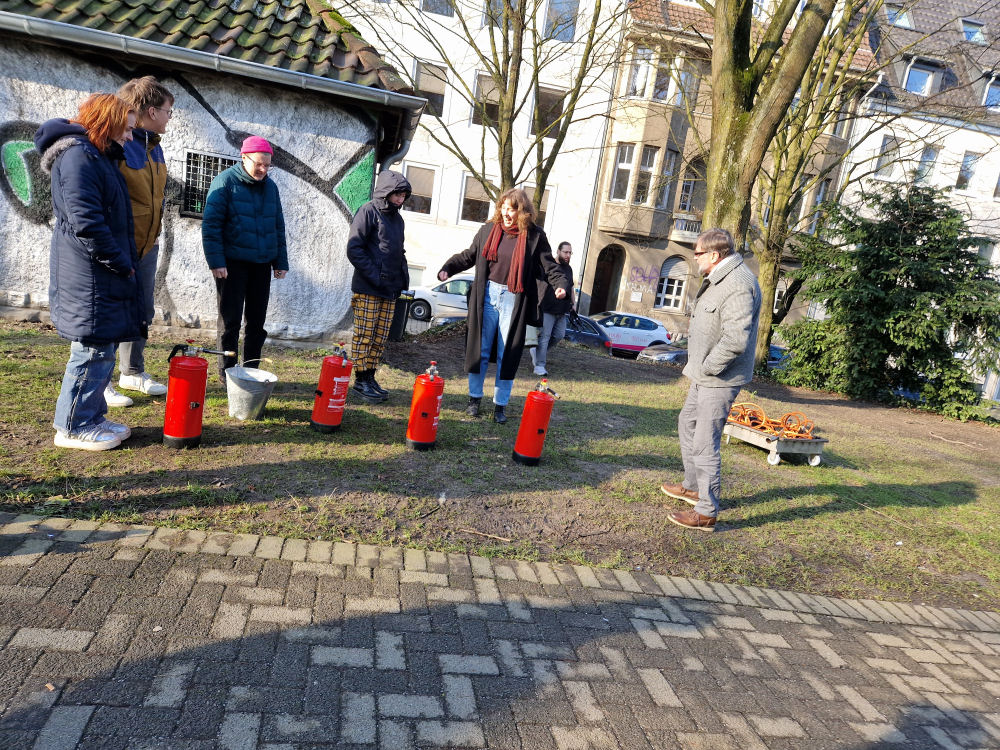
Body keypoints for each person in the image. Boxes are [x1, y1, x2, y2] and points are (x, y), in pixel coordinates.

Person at [34, 94, 142, 451]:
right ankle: (72, 426)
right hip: (90, 274)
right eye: (126, 129)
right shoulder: (79, 157)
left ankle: (91, 415)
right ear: (107, 121)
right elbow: (87, 224)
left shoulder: (98, 156)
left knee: (103, 347)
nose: (129, 137)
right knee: (91, 350)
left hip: (99, 272)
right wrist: (119, 262)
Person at [660, 228, 761, 531]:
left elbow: (735, 340)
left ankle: (706, 512)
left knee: (705, 442)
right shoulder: (720, 278)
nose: (694, 258)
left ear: (715, 256)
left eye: (698, 253)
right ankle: (693, 487)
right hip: (704, 375)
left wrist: (708, 366)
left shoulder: (739, 284)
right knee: (687, 422)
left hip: (719, 378)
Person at [437, 188, 568, 424]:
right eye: (504, 208)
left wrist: (561, 284)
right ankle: (474, 400)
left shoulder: (534, 237)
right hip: (486, 295)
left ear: (523, 211)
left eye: (512, 209)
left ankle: (500, 405)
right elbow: (469, 255)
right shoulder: (488, 230)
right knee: (481, 349)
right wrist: (449, 267)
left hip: (513, 298)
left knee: (507, 352)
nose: (507, 213)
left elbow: (550, 267)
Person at [102, 75, 174, 408]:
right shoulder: (120, 144)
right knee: (112, 313)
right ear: (148, 110)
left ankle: (131, 371)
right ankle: (101, 382)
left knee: (141, 310)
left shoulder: (154, 148)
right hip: (120, 247)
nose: (170, 116)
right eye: (167, 110)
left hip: (147, 246)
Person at [202, 136, 288, 381]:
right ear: (244, 158)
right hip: (231, 265)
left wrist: (280, 262)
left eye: (267, 165)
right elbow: (211, 225)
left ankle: (251, 369)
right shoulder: (225, 182)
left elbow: (278, 226)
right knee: (230, 321)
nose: (263, 169)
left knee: (256, 323)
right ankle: (227, 372)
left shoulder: (271, 188)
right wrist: (216, 261)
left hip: (262, 264)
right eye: (259, 164)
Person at [346, 169, 411, 402]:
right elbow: (354, 249)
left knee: (380, 336)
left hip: (390, 289)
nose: (400, 200)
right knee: (365, 334)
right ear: (386, 192)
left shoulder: (398, 220)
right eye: (397, 195)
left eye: (404, 196)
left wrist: (402, 279)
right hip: (368, 287)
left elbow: (398, 252)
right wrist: (375, 276)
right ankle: (360, 380)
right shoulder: (368, 212)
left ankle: (370, 377)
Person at [532, 241, 575, 376]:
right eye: (565, 252)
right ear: (558, 251)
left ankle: (537, 351)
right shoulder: (550, 266)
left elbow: (571, 287)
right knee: (545, 337)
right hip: (548, 308)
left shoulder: (569, 269)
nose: (568, 255)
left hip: (562, 310)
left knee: (558, 336)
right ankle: (539, 366)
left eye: (570, 252)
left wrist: (573, 304)